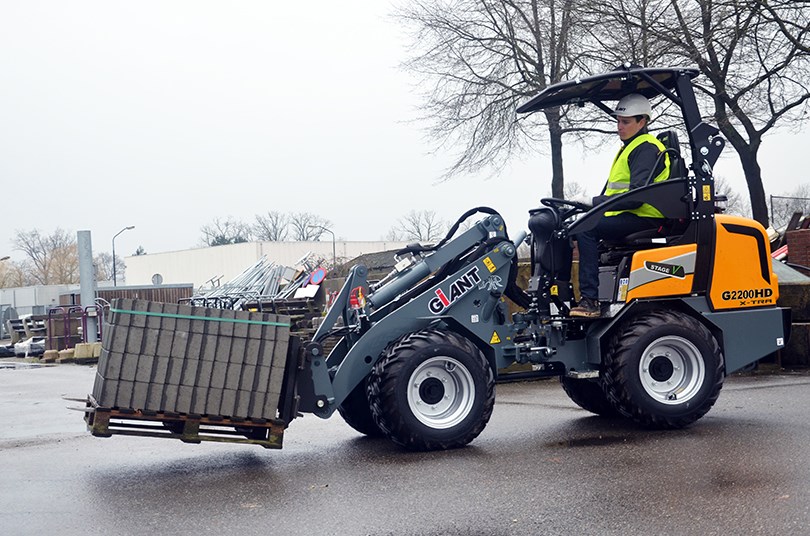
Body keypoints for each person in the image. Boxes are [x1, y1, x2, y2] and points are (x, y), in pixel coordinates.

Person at [568, 93, 671, 318]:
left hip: (645, 217)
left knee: (586, 229)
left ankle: (590, 301)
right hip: (628, 214)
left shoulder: (646, 148)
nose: (619, 127)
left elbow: (636, 196)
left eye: (625, 122)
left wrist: (594, 203)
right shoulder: (630, 147)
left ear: (642, 122)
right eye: (618, 121)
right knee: (569, 228)